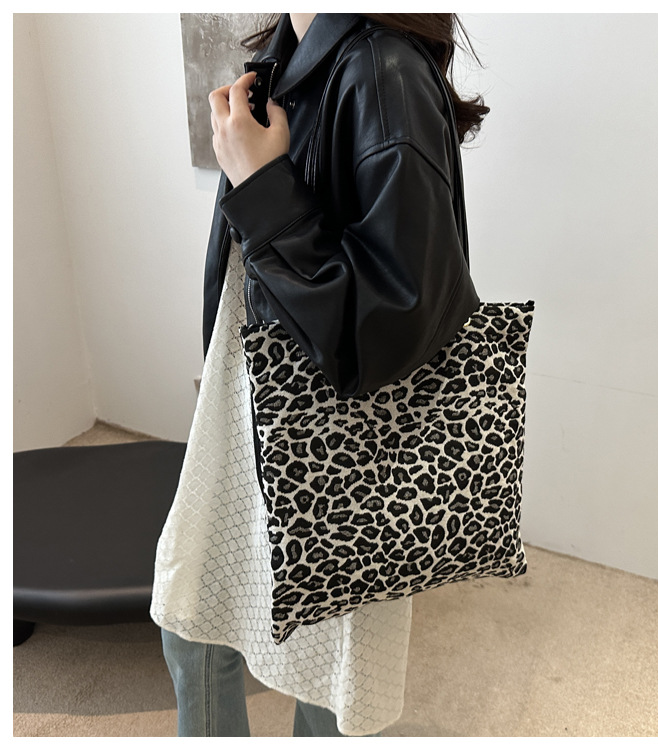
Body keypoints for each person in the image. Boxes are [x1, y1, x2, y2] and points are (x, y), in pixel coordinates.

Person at [150, 13, 489, 737]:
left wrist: (262, 183)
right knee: (193, 622)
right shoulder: (289, 55)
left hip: (339, 437)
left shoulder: (383, 73)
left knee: (325, 675)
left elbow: (395, 326)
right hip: (257, 400)